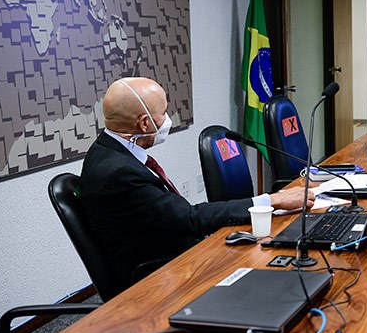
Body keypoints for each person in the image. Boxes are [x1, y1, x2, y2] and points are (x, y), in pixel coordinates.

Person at [79, 77, 312, 292]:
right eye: (163, 113)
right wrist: (271, 200)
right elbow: (190, 219)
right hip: (161, 275)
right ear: (144, 123)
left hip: (170, 249)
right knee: (277, 275)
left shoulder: (108, 150)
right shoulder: (119, 172)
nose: (167, 119)